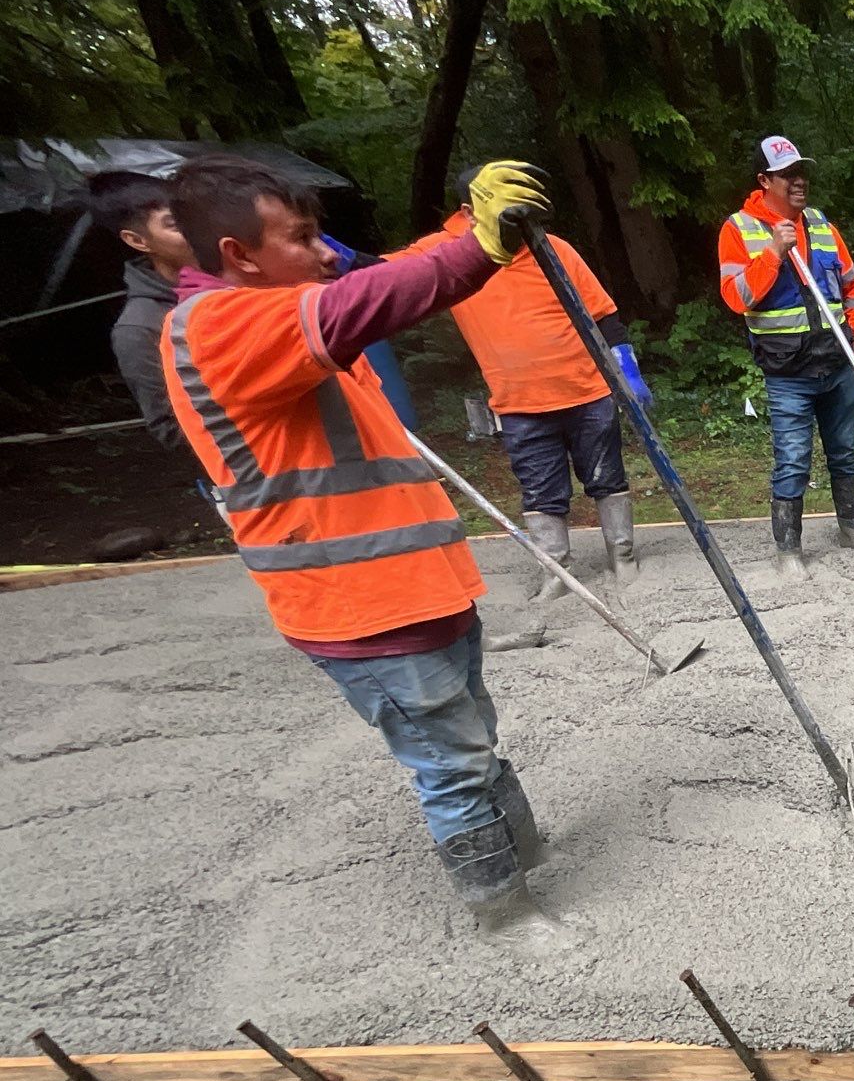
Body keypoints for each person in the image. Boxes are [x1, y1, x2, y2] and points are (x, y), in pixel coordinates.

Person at [157, 153, 569, 949]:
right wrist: (475, 248)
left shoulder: (276, 318)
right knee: (451, 763)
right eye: (301, 238)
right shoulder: (218, 327)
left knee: (472, 739)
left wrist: (446, 241)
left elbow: (376, 278)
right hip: (362, 607)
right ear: (239, 255)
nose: (324, 254)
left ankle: (526, 856)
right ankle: (506, 915)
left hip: (417, 590)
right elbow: (364, 297)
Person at [396, 168, 652, 594]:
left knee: (607, 477)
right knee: (540, 491)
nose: (520, 220)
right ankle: (558, 573)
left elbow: (604, 315)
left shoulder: (553, 248)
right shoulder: (445, 254)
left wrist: (628, 372)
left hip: (587, 391)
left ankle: (622, 557)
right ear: (470, 212)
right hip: (518, 403)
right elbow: (383, 275)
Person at [718, 136, 854, 572]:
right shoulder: (739, 229)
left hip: (837, 362)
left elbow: (852, 284)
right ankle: (789, 552)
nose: (798, 181)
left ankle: (853, 529)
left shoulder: (821, 224)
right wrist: (773, 252)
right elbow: (737, 297)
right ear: (764, 180)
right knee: (792, 461)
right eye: (787, 174)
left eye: (801, 172)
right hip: (788, 373)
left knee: (845, 451)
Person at [88, 171, 195, 454]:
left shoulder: (245, 271)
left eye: (194, 215)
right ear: (138, 240)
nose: (196, 229)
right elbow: (169, 427)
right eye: (175, 224)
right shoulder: (140, 327)